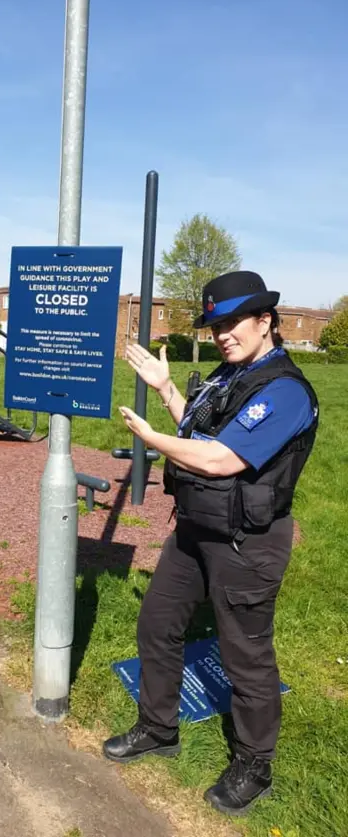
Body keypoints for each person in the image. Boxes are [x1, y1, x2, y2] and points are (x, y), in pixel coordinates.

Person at [102, 271, 319, 817]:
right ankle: (158, 728)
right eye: (215, 325)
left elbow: (223, 460)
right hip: (196, 530)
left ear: (265, 321)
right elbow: (203, 435)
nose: (223, 334)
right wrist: (166, 391)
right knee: (157, 623)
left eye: (232, 323)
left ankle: (254, 764)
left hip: (248, 542)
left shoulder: (285, 391)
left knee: (245, 655)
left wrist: (152, 441)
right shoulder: (227, 378)